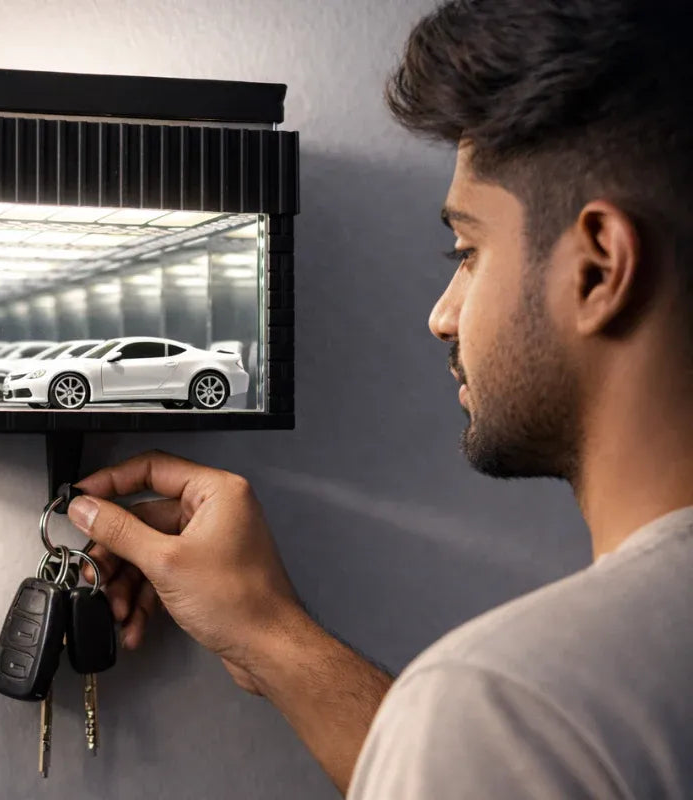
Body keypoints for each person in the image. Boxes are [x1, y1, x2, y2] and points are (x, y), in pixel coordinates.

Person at [68, 1, 693, 796]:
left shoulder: (510, 706)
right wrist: (269, 632)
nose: (442, 315)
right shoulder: (535, 721)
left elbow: (494, 740)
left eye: (467, 250)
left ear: (598, 268)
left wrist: (454, 709)